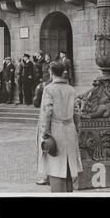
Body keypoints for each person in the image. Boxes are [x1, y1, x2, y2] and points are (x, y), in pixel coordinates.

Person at [37, 62, 83, 192]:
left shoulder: (49, 89)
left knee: (56, 164)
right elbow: (77, 112)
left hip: (55, 129)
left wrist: (45, 132)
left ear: (51, 73)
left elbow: (47, 111)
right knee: (68, 164)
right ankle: (69, 191)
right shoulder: (71, 89)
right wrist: (76, 129)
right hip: (70, 128)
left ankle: (58, 192)